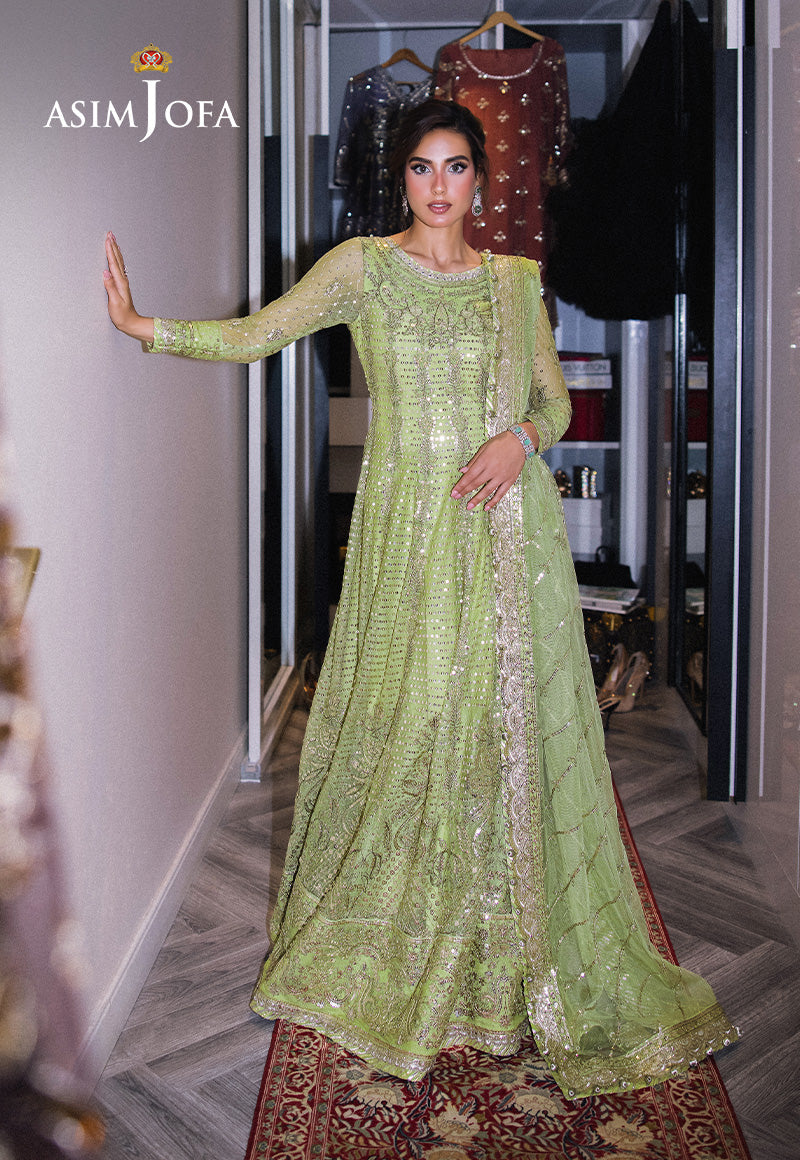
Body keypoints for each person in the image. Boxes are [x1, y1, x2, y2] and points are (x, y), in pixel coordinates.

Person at [104, 99, 736, 1099]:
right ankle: (405, 924)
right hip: (406, 532)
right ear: (398, 178)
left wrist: (517, 441)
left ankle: (499, 935)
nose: (438, 186)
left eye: (455, 167)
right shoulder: (361, 268)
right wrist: (147, 327)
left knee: (494, 722)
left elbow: (555, 402)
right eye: (420, 167)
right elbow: (260, 333)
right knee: (411, 717)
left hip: (506, 532)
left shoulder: (514, 281)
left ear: (480, 178)